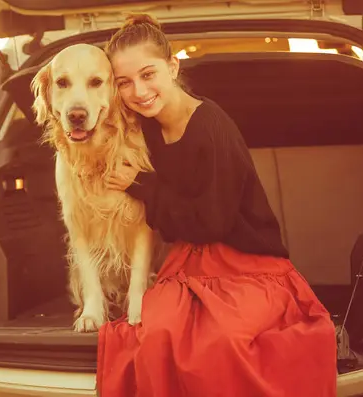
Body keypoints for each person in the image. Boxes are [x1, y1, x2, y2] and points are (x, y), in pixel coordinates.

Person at [99, 13, 338, 397]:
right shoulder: (143, 126)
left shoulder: (212, 127)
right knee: (154, 334)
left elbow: (212, 222)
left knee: (221, 340)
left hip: (247, 264)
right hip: (187, 259)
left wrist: (142, 185)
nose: (138, 91)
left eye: (148, 74)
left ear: (172, 66)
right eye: (124, 83)